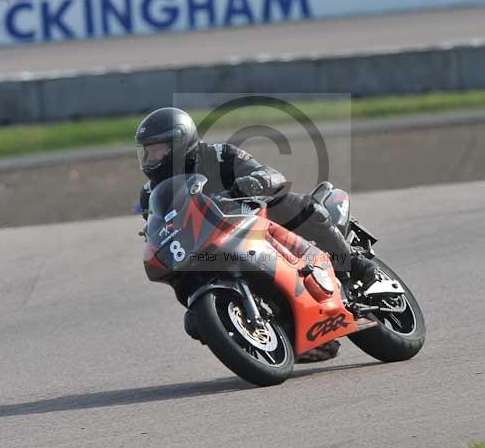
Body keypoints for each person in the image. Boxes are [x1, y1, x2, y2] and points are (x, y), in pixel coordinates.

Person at [136, 107, 378, 361]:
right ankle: (282, 331)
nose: (150, 157)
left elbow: (270, 174)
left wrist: (253, 182)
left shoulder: (219, 156)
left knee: (295, 206)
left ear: (180, 141)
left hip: (250, 219)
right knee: (194, 319)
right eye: (146, 151)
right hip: (209, 244)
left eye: (157, 149)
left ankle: (354, 263)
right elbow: (157, 224)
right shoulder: (149, 193)